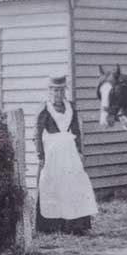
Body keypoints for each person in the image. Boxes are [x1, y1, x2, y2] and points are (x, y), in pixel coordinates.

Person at [34, 75, 98, 235]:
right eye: (54, 90)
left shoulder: (70, 108)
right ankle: (51, 226)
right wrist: (41, 156)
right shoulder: (45, 109)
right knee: (52, 185)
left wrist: (81, 152)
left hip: (70, 153)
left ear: (64, 91)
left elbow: (76, 131)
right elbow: (38, 134)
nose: (57, 94)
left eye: (61, 90)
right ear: (49, 91)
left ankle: (76, 225)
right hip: (52, 153)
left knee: (74, 185)